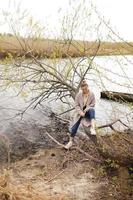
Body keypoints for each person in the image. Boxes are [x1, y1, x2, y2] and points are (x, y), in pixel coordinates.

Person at [65, 80, 96, 149]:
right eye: (82, 89)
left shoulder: (92, 94)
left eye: (85, 89)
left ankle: (93, 128)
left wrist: (87, 108)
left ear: (87, 87)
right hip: (79, 113)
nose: (84, 90)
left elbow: (93, 104)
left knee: (92, 110)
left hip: (87, 112)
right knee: (74, 127)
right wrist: (81, 112)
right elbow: (76, 105)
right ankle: (70, 142)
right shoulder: (79, 94)